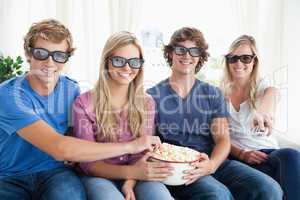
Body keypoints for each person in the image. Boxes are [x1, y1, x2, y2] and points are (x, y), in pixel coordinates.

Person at [0, 19, 161, 200]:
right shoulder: (9, 95)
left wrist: (76, 151)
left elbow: (71, 133)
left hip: (55, 172)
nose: (50, 62)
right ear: (28, 54)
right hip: (11, 176)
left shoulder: (71, 89)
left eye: (59, 55)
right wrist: (130, 146)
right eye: (41, 53)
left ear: (67, 58)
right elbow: (59, 148)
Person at [147, 27, 283, 200]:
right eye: (180, 49)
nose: (187, 55)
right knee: (218, 195)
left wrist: (211, 165)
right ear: (170, 53)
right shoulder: (153, 96)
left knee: (269, 188)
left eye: (193, 51)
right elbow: (148, 144)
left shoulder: (212, 93)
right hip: (180, 168)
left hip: (215, 161)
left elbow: (223, 140)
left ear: (200, 56)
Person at [72, 31, 174, 200]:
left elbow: (142, 152)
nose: (127, 68)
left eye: (134, 62)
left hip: (137, 173)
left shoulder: (147, 102)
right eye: (119, 61)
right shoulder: (83, 103)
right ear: (107, 62)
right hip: (98, 175)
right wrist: (130, 172)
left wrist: (130, 180)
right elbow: (89, 163)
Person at [221, 34, 300, 200]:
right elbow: (220, 138)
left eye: (245, 58)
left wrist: (262, 112)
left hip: (268, 153)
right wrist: (242, 154)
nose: (238, 63)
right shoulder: (220, 94)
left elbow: (273, 94)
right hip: (240, 157)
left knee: (291, 155)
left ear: (254, 61)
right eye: (233, 58)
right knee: (269, 182)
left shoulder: (262, 86)